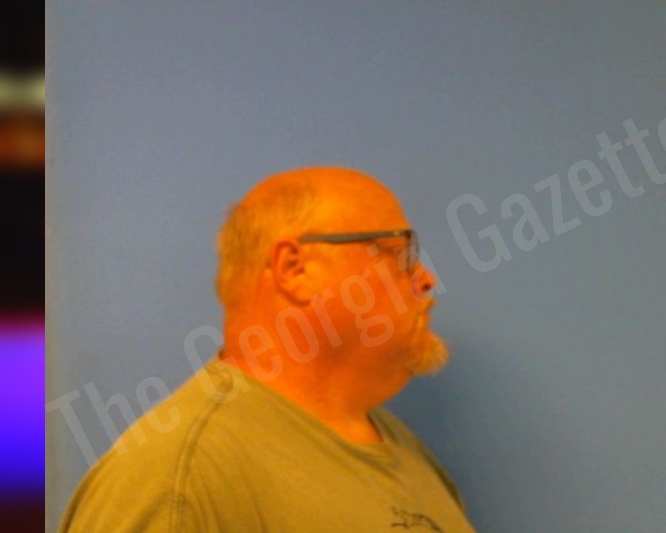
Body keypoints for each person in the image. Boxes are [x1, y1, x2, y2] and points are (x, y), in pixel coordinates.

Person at [59, 167, 477, 532]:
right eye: (400, 252)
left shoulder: (407, 453)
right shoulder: (177, 480)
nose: (425, 279)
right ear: (295, 269)